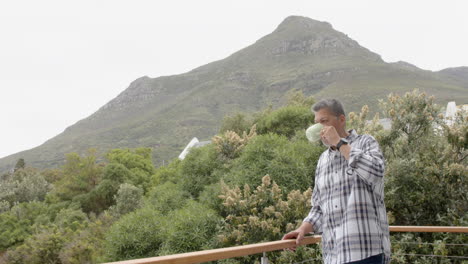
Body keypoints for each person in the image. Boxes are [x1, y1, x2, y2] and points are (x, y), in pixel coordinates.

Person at [282, 99, 391, 264]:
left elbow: (376, 172)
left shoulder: (366, 142)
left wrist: (340, 143)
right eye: (316, 123)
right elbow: (319, 207)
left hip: (365, 252)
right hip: (333, 255)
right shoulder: (323, 160)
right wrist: (302, 229)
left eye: (324, 121)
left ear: (341, 119)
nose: (320, 128)